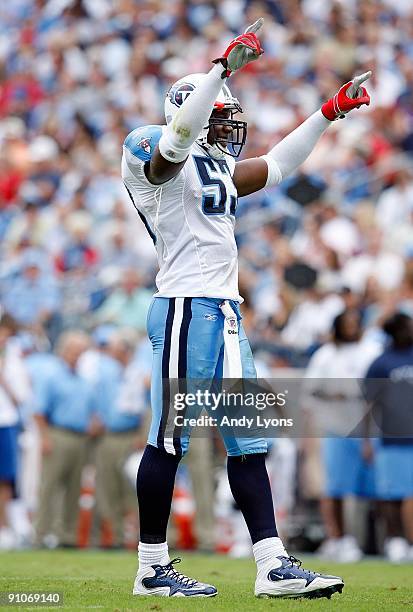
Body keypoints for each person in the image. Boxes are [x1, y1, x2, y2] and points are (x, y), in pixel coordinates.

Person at [122, 19, 371, 599]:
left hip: (226, 313)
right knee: (169, 436)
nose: (232, 124)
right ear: (195, 108)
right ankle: (151, 567)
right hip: (186, 304)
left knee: (248, 439)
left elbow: (278, 165)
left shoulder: (216, 166)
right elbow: (170, 151)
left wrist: (327, 113)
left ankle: (272, 564)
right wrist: (218, 70)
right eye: (222, 112)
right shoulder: (149, 144)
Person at [304, 309, 381, 563]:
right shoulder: (326, 355)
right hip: (335, 428)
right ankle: (337, 538)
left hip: (367, 430)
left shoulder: (370, 351)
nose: (351, 328)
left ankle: (381, 541)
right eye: (346, 324)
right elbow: (310, 391)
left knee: (372, 487)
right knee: (334, 487)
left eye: (355, 323)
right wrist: (334, 395)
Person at [365, 313, 413, 562]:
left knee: (409, 495)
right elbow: (368, 404)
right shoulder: (381, 363)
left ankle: (409, 541)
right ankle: (395, 540)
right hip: (391, 438)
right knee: (390, 494)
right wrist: (365, 441)